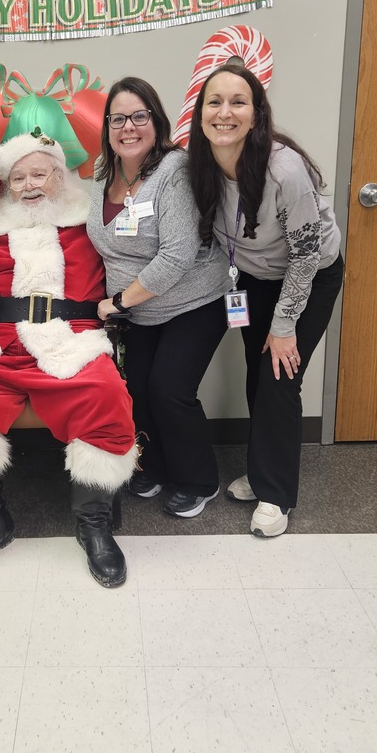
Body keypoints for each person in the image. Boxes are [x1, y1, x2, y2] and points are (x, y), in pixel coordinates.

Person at [0, 131, 138, 587]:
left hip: (71, 341)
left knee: (105, 393)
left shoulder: (89, 222)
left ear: (60, 176)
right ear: (7, 184)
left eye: (39, 174)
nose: (29, 185)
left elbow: (128, 263)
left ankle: (94, 524)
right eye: (18, 177)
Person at [188, 62, 343, 537]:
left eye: (238, 102)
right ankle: (261, 472)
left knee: (279, 375)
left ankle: (276, 494)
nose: (224, 112)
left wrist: (283, 325)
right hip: (253, 278)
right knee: (258, 374)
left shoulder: (284, 169)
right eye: (214, 102)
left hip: (309, 276)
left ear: (256, 114)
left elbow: (306, 255)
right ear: (200, 112)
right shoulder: (201, 162)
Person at [88, 77, 229, 519]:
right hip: (141, 311)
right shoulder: (103, 170)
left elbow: (177, 255)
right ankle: (155, 467)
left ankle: (199, 480)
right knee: (134, 390)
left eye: (139, 116)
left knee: (169, 390)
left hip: (193, 303)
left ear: (156, 121)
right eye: (118, 119)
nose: (128, 127)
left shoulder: (175, 171)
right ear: (107, 127)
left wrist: (119, 302)